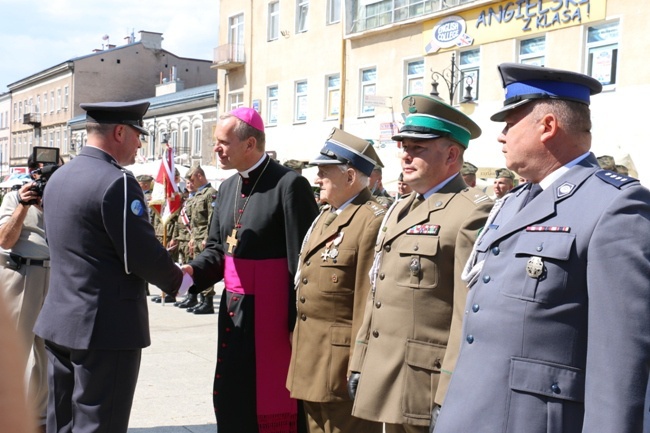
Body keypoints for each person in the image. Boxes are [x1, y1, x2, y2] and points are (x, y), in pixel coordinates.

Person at [433, 63, 650, 433]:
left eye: (510, 123)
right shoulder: (514, 201)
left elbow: (621, 361)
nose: (501, 136)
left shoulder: (614, 206)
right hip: (474, 411)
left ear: (547, 127)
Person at [34, 101, 187, 433]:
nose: (139, 144)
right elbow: (140, 253)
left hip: (60, 320)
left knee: (61, 422)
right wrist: (181, 281)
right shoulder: (116, 181)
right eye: (137, 135)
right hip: (104, 328)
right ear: (120, 132)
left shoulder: (59, 177)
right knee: (98, 425)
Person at [348, 94, 492, 433]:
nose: (406, 155)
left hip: (427, 381)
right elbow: (377, 289)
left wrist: (450, 388)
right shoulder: (401, 207)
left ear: (452, 154)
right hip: (388, 370)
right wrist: (360, 360)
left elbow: (467, 311)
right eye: (404, 146)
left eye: (419, 148)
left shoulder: (472, 211)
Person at [182, 107, 319, 432]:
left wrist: (295, 324)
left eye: (223, 142)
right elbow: (217, 249)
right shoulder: (228, 187)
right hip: (234, 312)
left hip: (271, 319)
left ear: (250, 144)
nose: (216, 149)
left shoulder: (289, 185)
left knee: (269, 402)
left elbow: (302, 261)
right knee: (233, 397)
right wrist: (189, 273)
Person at [286, 127, 385, 433]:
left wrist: (359, 364)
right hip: (311, 358)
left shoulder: (371, 220)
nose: (317, 180)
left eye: (324, 172)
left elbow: (367, 301)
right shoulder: (326, 216)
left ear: (350, 176)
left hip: (340, 366)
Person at [0, 154, 55, 432]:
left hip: (55, 278)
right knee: (14, 351)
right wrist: (23, 205)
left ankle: (40, 419)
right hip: (21, 274)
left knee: (47, 354)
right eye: (38, 172)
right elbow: (5, 239)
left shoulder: (61, 198)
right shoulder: (13, 197)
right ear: (30, 173)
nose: (42, 178)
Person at [183, 165, 218, 314]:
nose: (191, 184)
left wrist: (207, 238)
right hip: (195, 236)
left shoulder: (211, 193)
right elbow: (193, 222)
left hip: (204, 236)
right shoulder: (198, 194)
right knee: (196, 268)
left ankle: (207, 301)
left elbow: (212, 218)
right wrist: (192, 237)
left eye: (192, 180)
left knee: (205, 269)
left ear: (199, 176)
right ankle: (200, 299)